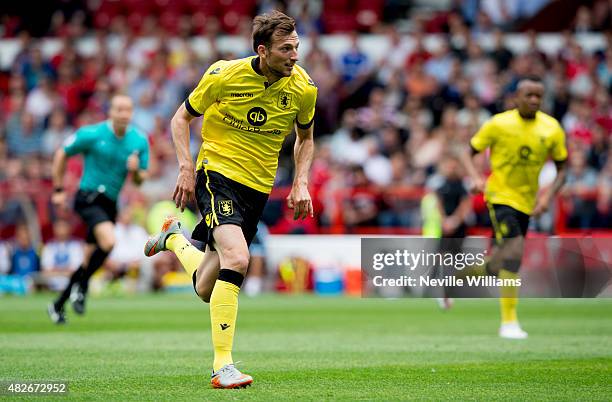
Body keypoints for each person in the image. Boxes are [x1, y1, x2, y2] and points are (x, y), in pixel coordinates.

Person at [144, 10, 316, 389]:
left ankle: (173, 239)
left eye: (297, 47)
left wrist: (301, 181)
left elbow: (306, 137)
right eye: (286, 49)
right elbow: (179, 119)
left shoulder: (303, 88)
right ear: (262, 50)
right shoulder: (224, 74)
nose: (294, 55)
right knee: (239, 258)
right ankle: (223, 366)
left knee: (206, 289)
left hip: (257, 187)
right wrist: (186, 168)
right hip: (217, 174)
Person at [461, 77, 568, 339]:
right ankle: (509, 322)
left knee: (501, 264)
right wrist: (476, 177)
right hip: (499, 196)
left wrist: (546, 198)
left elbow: (563, 169)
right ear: (516, 98)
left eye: (538, 96)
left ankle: (455, 278)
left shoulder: (551, 128)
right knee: (514, 249)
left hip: (528, 201)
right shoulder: (499, 124)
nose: (533, 100)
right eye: (528, 95)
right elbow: (467, 152)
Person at [48, 94, 149, 324]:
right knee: (109, 242)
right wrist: (58, 189)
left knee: (87, 261)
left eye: (128, 110)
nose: (124, 114)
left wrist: (135, 171)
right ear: (110, 112)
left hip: (109, 204)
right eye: (119, 109)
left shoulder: (138, 141)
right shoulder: (92, 134)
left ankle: (57, 305)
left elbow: (140, 180)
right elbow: (62, 153)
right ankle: (82, 287)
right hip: (88, 198)